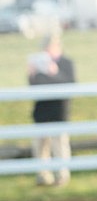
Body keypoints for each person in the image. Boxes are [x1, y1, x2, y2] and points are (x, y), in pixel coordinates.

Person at [28, 34, 76, 186]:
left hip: (59, 110)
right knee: (41, 146)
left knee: (59, 144)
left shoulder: (66, 63)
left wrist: (54, 73)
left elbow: (70, 84)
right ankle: (43, 175)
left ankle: (62, 175)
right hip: (42, 111)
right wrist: (32, 74)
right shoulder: (39, 63)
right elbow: (34, 86)